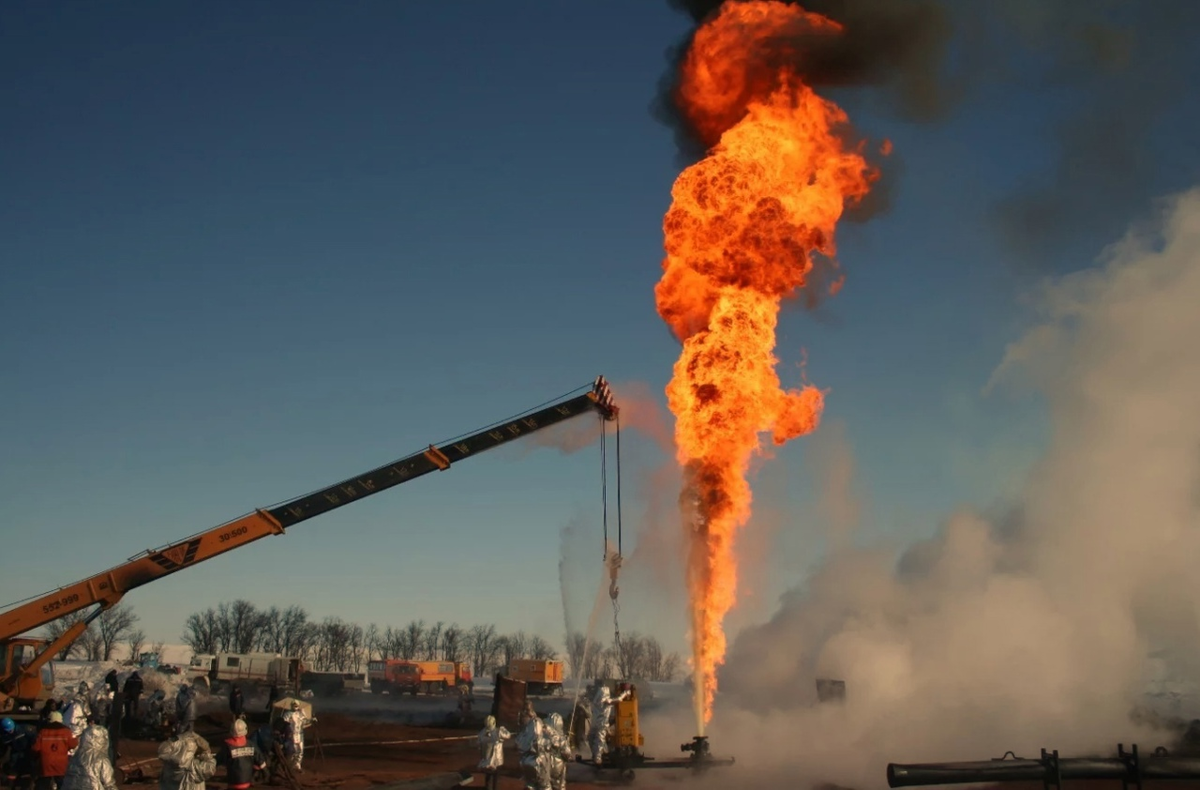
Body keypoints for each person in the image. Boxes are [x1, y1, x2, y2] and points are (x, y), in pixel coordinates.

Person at [59, 724, 117, 790]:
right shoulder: (102, 759)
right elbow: (108, 782)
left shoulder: (76, 756)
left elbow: (68, 777)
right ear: (103, 739)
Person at [32, 711, 78, 790]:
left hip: (46, 763)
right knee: (62, 785)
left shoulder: (43, 731)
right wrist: (76, 740)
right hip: (61, 764)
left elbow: (36, 748)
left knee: (43, 784)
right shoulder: (66, 731)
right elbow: (72, 745)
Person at [216, 719, 265, 790]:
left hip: (233, 784)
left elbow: (217, 761)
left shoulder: (227, 746)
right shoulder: (251, 745)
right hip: (247, 783)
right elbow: (261, 761)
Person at [588, 682, 629, 766]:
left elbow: (618, 700)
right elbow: (619, 699)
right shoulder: (604, 701)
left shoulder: (599, 701)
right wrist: (625, 693)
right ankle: (597, 757)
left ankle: (597, 757)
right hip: (599, 725)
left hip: (598, 725)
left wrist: (625, 693)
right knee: (596, 740)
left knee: (595, 739)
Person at [514, 708, 548, 790]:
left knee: (530, 785)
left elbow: (517, 745)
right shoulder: (540, 736)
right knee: (544, 786)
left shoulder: (523, 734)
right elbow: (545, 744)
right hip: (539, 763)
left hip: (526, 762)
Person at [476, 715, 510, 790]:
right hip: (496, 760)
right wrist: (503, 729)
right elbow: (508, 735)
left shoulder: (482, 732)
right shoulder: (498, 732)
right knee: (495, 777)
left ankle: (488, 787)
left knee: (488, 777)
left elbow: (478, 744)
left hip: (486, 759)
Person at [1, 717, 36, 790]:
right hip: (16, 751)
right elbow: (4, 747)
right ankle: (12, 785)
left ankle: (27, 784)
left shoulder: (25, 729)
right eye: (8, 730)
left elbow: (34, 738)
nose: (10, 731)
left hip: (27, 750)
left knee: (29, 767)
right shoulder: (5, 736)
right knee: (13, 765)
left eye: (11, 729)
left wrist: (33, 749)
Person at [280, 701, 311, 774]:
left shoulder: (300, 714)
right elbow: (283, 723)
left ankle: (297, 766)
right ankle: (290, 766)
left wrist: (311, 720)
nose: (295, 706)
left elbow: (305, 721)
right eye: (294, 705)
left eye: (297, 705)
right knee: (292, 751)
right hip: (291, 735)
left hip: (300, 734)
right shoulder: (287, 714)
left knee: (300, 751)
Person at [542, 713, 570, 790]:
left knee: (545, 785)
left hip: (544, 765)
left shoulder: (542, 736)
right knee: (559, 785)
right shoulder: (561, 739)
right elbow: (567, 754)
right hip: (558, 766)